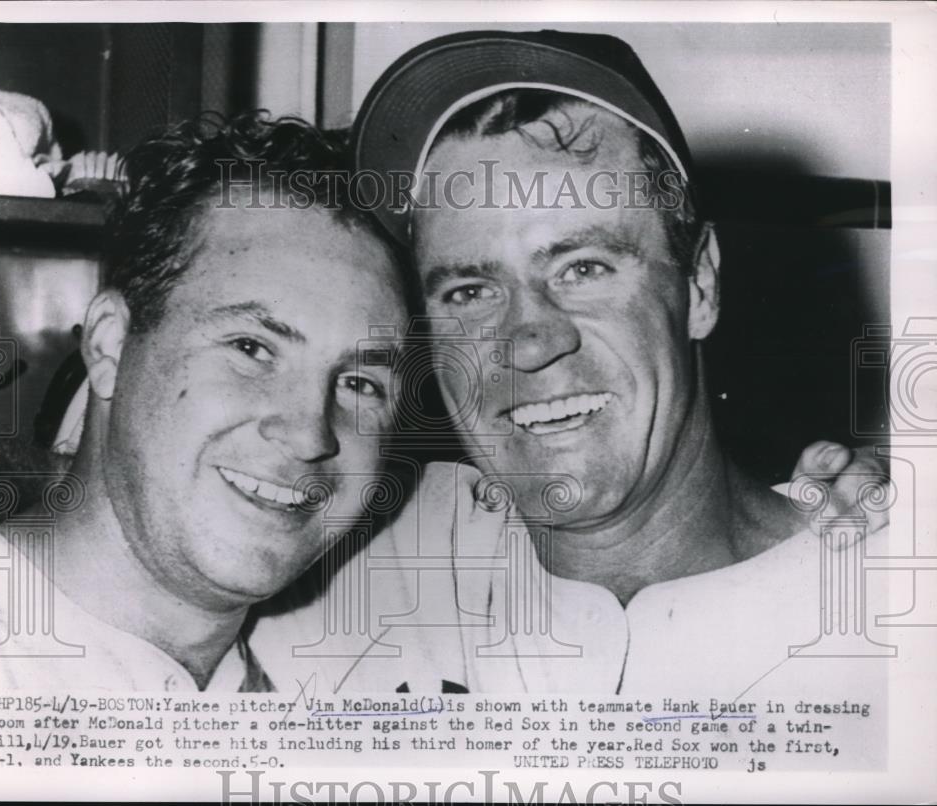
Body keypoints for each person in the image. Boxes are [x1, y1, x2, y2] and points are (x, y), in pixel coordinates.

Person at [252, 30, 893, 701]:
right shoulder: (361, 559)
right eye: (470, 292)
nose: (529, 343)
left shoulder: (888, 604)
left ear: (699, 284)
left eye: (582, 268)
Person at [0, 111, 412, 691]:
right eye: (252, 347)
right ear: (110, 344)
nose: (309, 435)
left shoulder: (317, 710)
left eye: (360, 383)